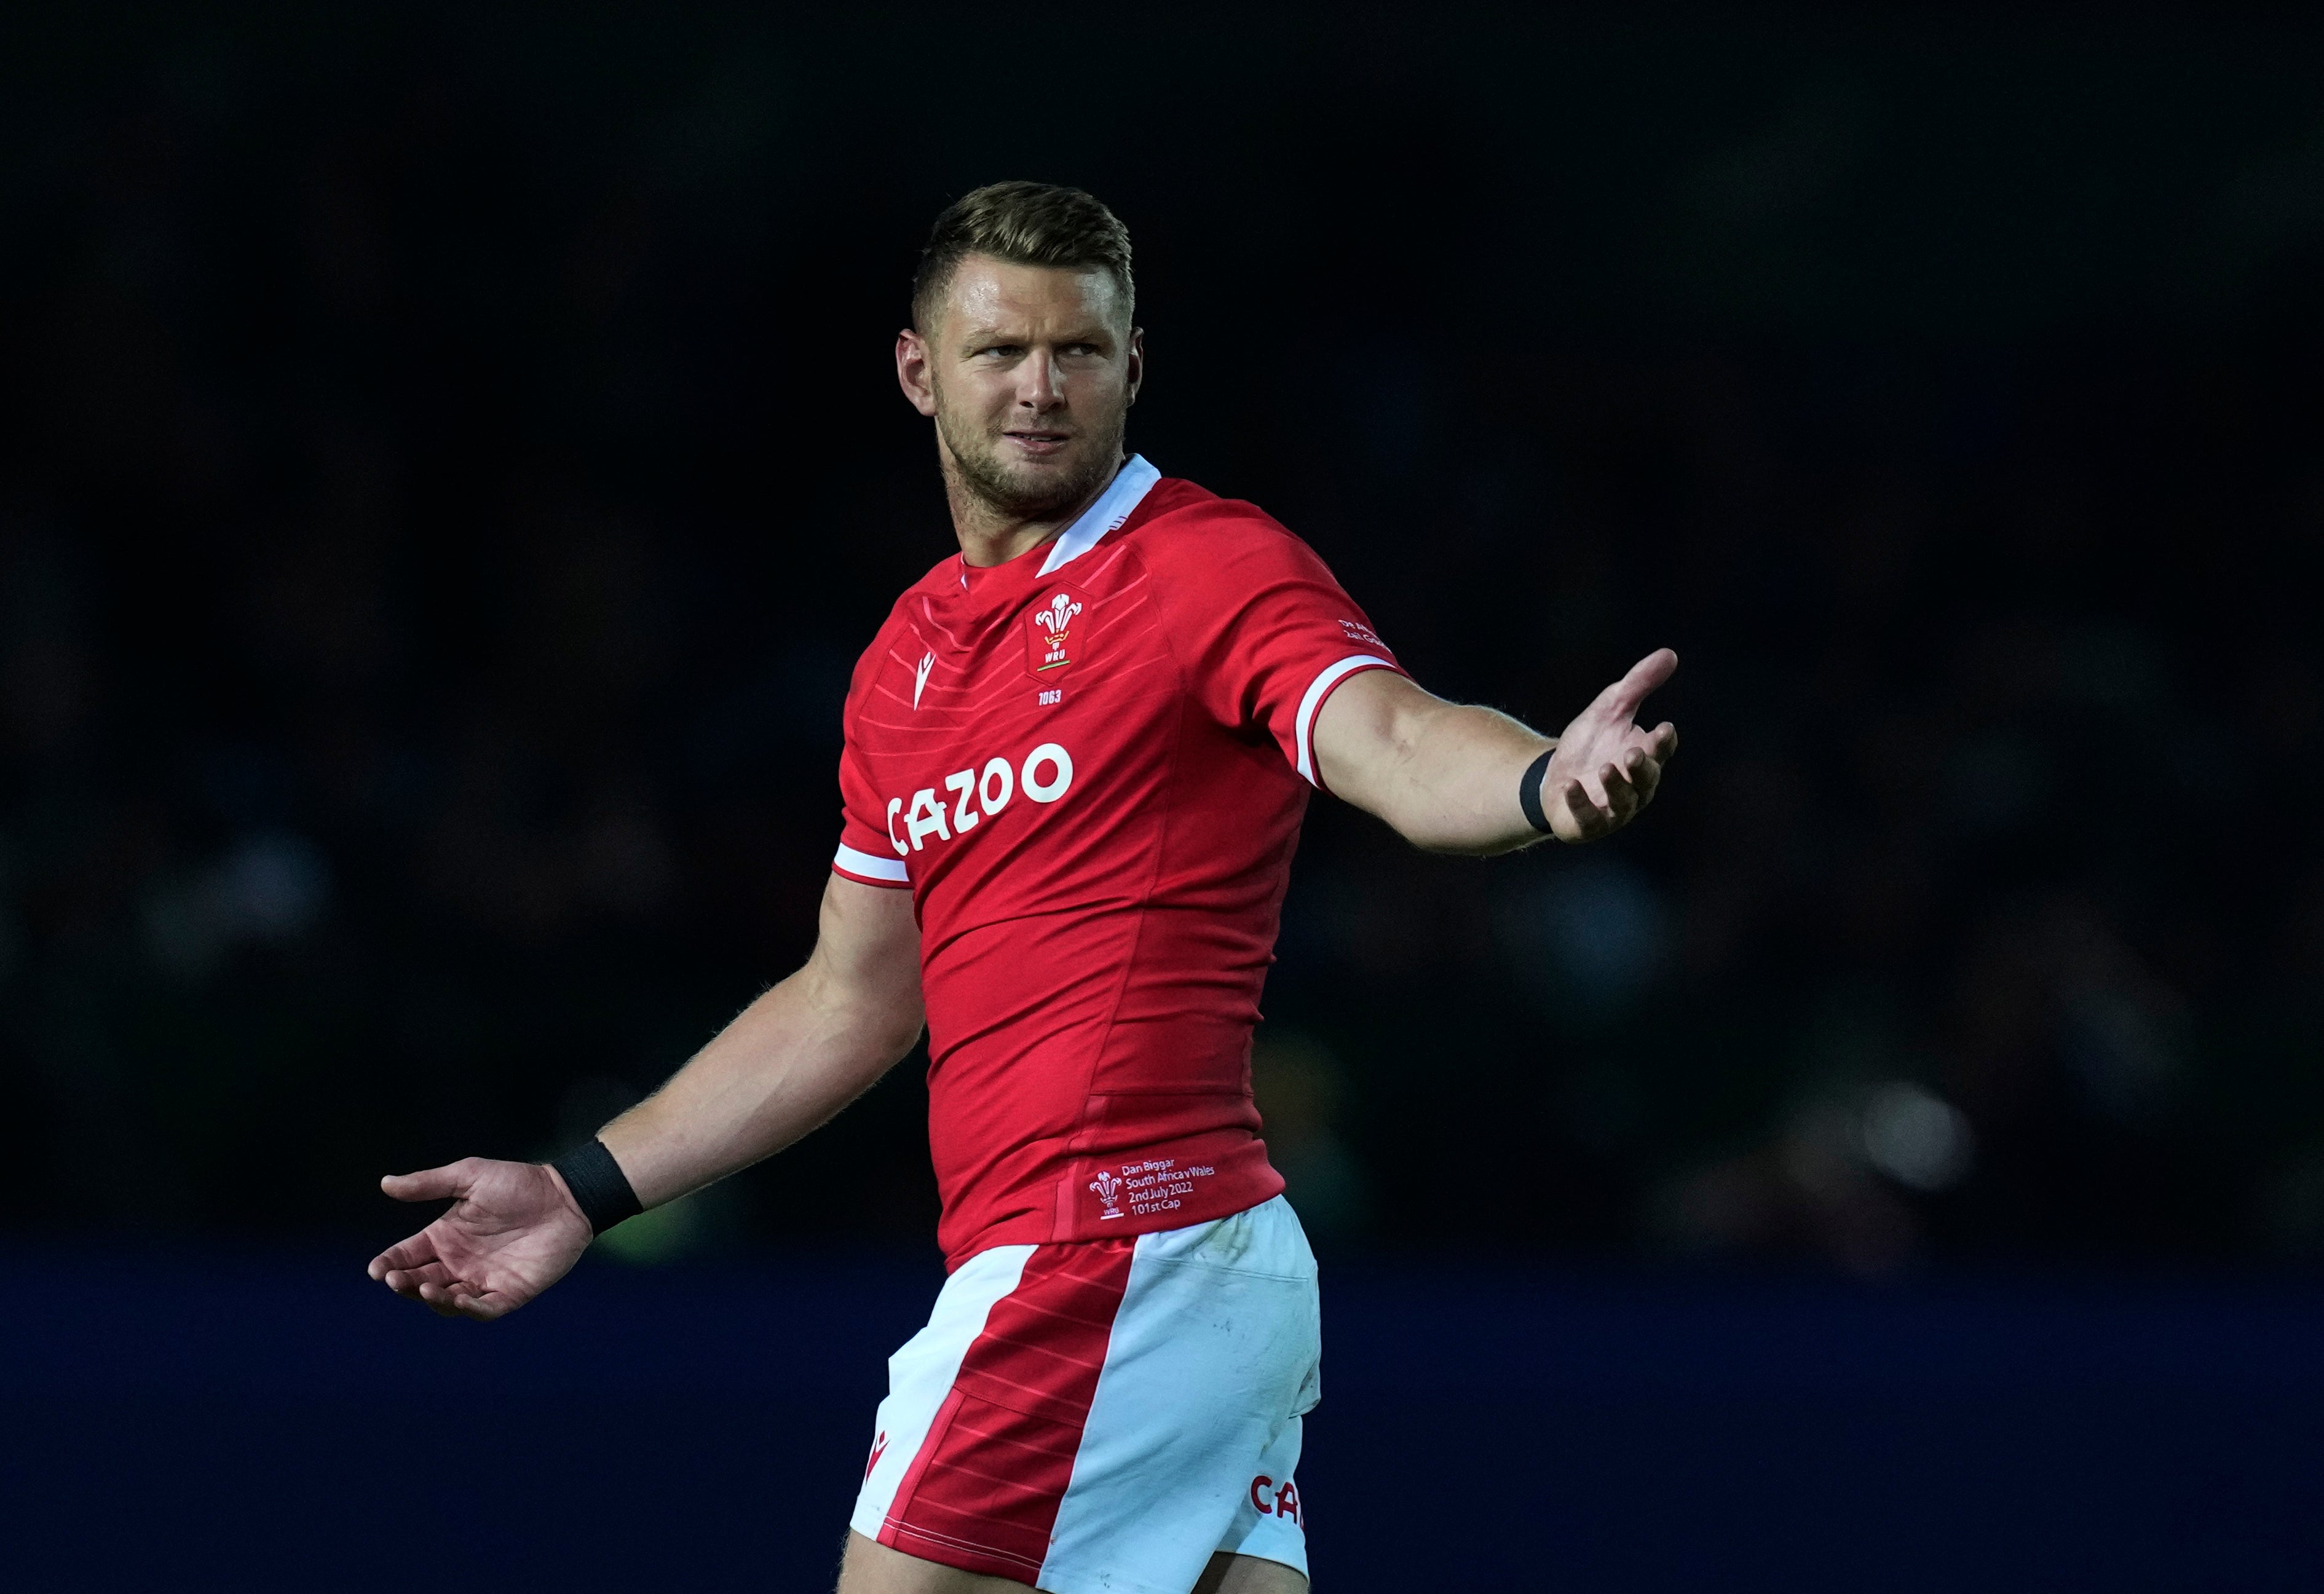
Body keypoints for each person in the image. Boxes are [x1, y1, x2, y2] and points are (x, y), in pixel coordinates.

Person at [368, 181, 1678, 1594]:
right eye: (1002, 352)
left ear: (1133, 366)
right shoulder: (907, 660)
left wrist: (1546, 781)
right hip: (1168, 1271)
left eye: (1081, 352)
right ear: (919, 369)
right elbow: (850, 1000)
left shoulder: (1201, 566)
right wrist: (581, 1188)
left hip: (1112, 1247)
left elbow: (1395, 734)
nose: (1042, 389)